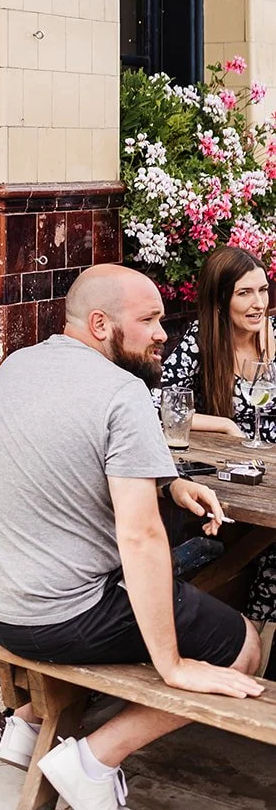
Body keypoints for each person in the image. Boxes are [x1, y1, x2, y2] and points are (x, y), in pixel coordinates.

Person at [0, 264, 263, 810]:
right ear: (99, 324)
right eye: (149, 320)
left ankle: (29, 722)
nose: (162, 334)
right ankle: (93, 760)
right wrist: (173, 665)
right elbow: (140, 538)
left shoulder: (20, 363)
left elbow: (69, 453)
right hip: (46, 616)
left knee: (151, 592)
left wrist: (170, 482)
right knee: (242, 647)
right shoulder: (123, 391)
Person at [159, 245, 276, 641]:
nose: (259, 303)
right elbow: (160, 402)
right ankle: (254, 642)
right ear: (221, 300)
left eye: (263, 290)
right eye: (245, 293)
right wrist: (224, 425)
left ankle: (256, 640)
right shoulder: (202, 340)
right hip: (238, 480)